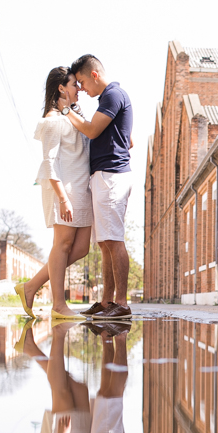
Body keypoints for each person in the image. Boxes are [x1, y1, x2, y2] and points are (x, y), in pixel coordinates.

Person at [15, 67, 93, 320]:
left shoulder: (70, 115)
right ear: (61, 88)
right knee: (63, 244)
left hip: (81, 187)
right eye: (74, 84)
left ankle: (29, 286)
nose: (79, 88)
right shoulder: (52, 121)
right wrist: (62, 198)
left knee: (80, 248)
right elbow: (49, 162)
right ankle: (59, 305)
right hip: (64, 188)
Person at [62, 54, 133, 320]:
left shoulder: (113, 94)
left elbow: (91, 131)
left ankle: (122, 304)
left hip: (111, 176)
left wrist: (67, 110)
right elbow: (130, 140)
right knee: (104, 243)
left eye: (81, 82)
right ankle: (106, 303)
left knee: (113, 240)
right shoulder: (108, 100)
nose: (81, 89)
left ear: (94, 75)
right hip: (105, 176)